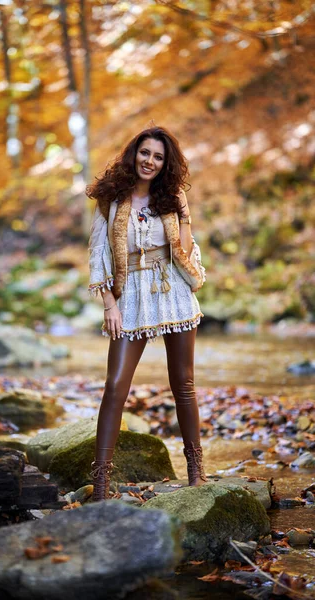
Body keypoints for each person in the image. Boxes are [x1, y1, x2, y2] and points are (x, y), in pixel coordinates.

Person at [86, 125, 208, 501]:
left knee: (183, 384)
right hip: (132, 295)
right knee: (115, 387)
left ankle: (195, 470)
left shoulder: (171, 198)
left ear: (164, 163)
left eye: (157, 156)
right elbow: (97, 254)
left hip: (171, 289)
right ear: (133, 154)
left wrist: (185, 217)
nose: (150, 161)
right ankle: (102, 483)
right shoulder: (110, 197)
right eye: (145, 153)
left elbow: (183, 253)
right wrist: (109, 305)